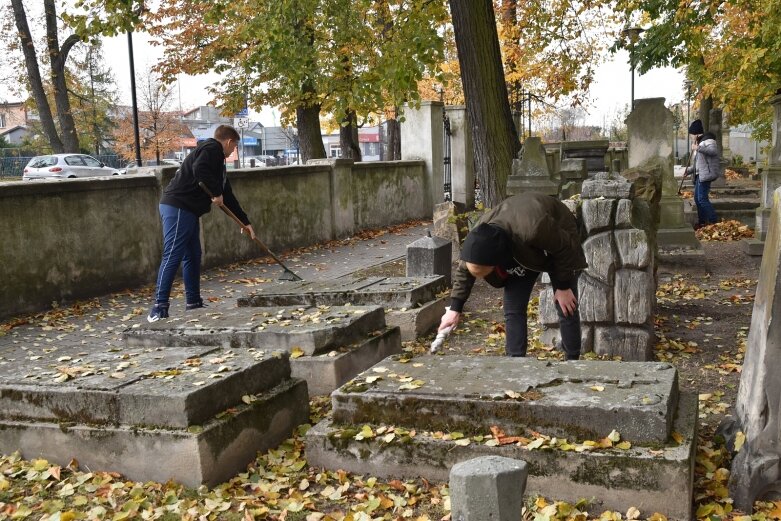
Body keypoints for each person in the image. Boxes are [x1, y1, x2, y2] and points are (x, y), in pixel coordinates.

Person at [437, 193, 587, 360]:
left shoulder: (534, 228)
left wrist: (563, 286)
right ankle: (515, 363)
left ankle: (573, 363)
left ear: (497, 262)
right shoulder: (479, 239)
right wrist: (455, 309)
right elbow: (465, 271)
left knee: (566, 305)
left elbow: (565, 247)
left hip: (559, 237)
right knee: (513, 309)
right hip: (518, 249)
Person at [147, 125, 255, 322]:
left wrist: (244, 222)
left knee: (193, 255)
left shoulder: (218, 161)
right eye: (235, 146)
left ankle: (193, 302)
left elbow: (226, 193)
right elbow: (200, 170)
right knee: (173, 254)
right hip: (178, 207)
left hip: (188, 210)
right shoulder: (212, 148)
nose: (234, 150)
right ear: (229, 142)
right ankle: (159, 307)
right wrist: (215, 193)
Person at [684, 119, 721, 228]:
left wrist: (698, 148)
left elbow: (713, 152)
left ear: (696, 134)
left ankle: (714, 222)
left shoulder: (709, 141)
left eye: (691, 134)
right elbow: (699, 163)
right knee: (697, 198)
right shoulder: (700, 142)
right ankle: (702, 222)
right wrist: (689, 171)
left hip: (706, 174)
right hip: (700, 175)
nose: (690, 137)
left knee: (702, 199)